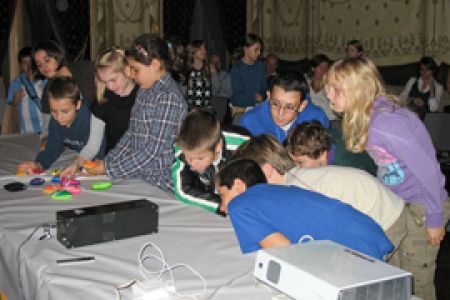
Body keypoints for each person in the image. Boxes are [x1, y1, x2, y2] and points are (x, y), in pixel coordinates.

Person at [324, 57, 449, 300]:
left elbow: (428, 170)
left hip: (424, 205)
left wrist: (434, 217)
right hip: (401, 202)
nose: (329, 94)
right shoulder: (368, 117)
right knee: (397, 274)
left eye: (336, 89)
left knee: (417, 281)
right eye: (328, 87)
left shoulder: (387, 124)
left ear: (359, 89)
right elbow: (387, 167)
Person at [234, 134, 407, 265]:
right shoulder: (295, 178)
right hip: (378, 210)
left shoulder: (297, 189)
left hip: (386, 219)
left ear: (267, 170)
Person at [216, 158, 394, 259]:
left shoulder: (240, 204)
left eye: (222, 195)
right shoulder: (277, 191)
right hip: (368, 235)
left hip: (354, 255)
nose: (223, 207)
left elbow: (283, 252)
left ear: (238, 186)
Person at [86, 34, 188, 192]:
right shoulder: (144, 90)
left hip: (162, 181)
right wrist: (108, 162)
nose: (131, 74)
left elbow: (152, 152)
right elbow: (131, 134)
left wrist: (110, 169)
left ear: (155, 65)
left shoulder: (169, 98)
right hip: (142, 175)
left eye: (135, 69)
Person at [16, 76, 105, 176]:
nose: (59, 117)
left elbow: (99, 149)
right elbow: (52, 148)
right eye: (53, 111)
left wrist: (81, 165)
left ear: (78, 105)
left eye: (65, 111)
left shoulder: (92, 115)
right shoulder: (56, 120)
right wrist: (38, 165)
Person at [172, 109, 248, 213]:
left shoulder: (243, 146)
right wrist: (221, 205)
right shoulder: (182, 147)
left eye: (200, 158)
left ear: (218, 147)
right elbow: (183, 191)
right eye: (188, 157)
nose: (193, 165)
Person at [239, 71, 329, 143]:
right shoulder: (249, 121)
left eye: (289, 107)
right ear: (269, 97)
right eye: (275, 104)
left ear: (302, 105)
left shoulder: (317, 118)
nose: (280, 113)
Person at [90, 47, 139, 154]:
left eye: (113, 80)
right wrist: (78, 162)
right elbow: (93, 143)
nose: (110, 86)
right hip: (112, 160)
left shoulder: (144, 96)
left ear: (127, 70)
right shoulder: (104, 100)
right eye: (105, 82)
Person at [286, 121, 377, 176]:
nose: (296, 167)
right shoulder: (319, 138)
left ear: (322, 156)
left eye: (300, 162)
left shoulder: (345, 169)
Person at [6, 46, 46, 134]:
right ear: (20, 65)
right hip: (26, 130)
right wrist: (15, 100)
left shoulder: (45, 81)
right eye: (24, 63)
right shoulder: (15, 83)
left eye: (31, 62)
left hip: (45, 128)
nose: (28, 66)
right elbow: (10, 103)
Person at [230, 33, 267, 115]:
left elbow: (263, 88)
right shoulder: (237, 68)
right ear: (246, 49)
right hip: (240, 109)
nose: (259, 53)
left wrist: (261, 97)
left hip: (257, 107)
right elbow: (238, 96)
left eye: (260, 50)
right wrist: (255, 99)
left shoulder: (260, 66)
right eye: (256, 50)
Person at [305, 53, 336, 121]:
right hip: (309, 119)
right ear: (313, 68)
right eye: (320, 67)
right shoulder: (305, 83)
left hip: (329, 119)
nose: (323, 70)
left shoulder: (331, 85)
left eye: (326, 67)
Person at [185, 40, 212, 110]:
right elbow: (181, 92)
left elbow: (216, 89)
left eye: (204, 48)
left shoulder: (210, 68)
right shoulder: (187, 69)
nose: (204, 51)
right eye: (200, 49)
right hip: (191, 109)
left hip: (206, 109)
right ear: (193, 51)